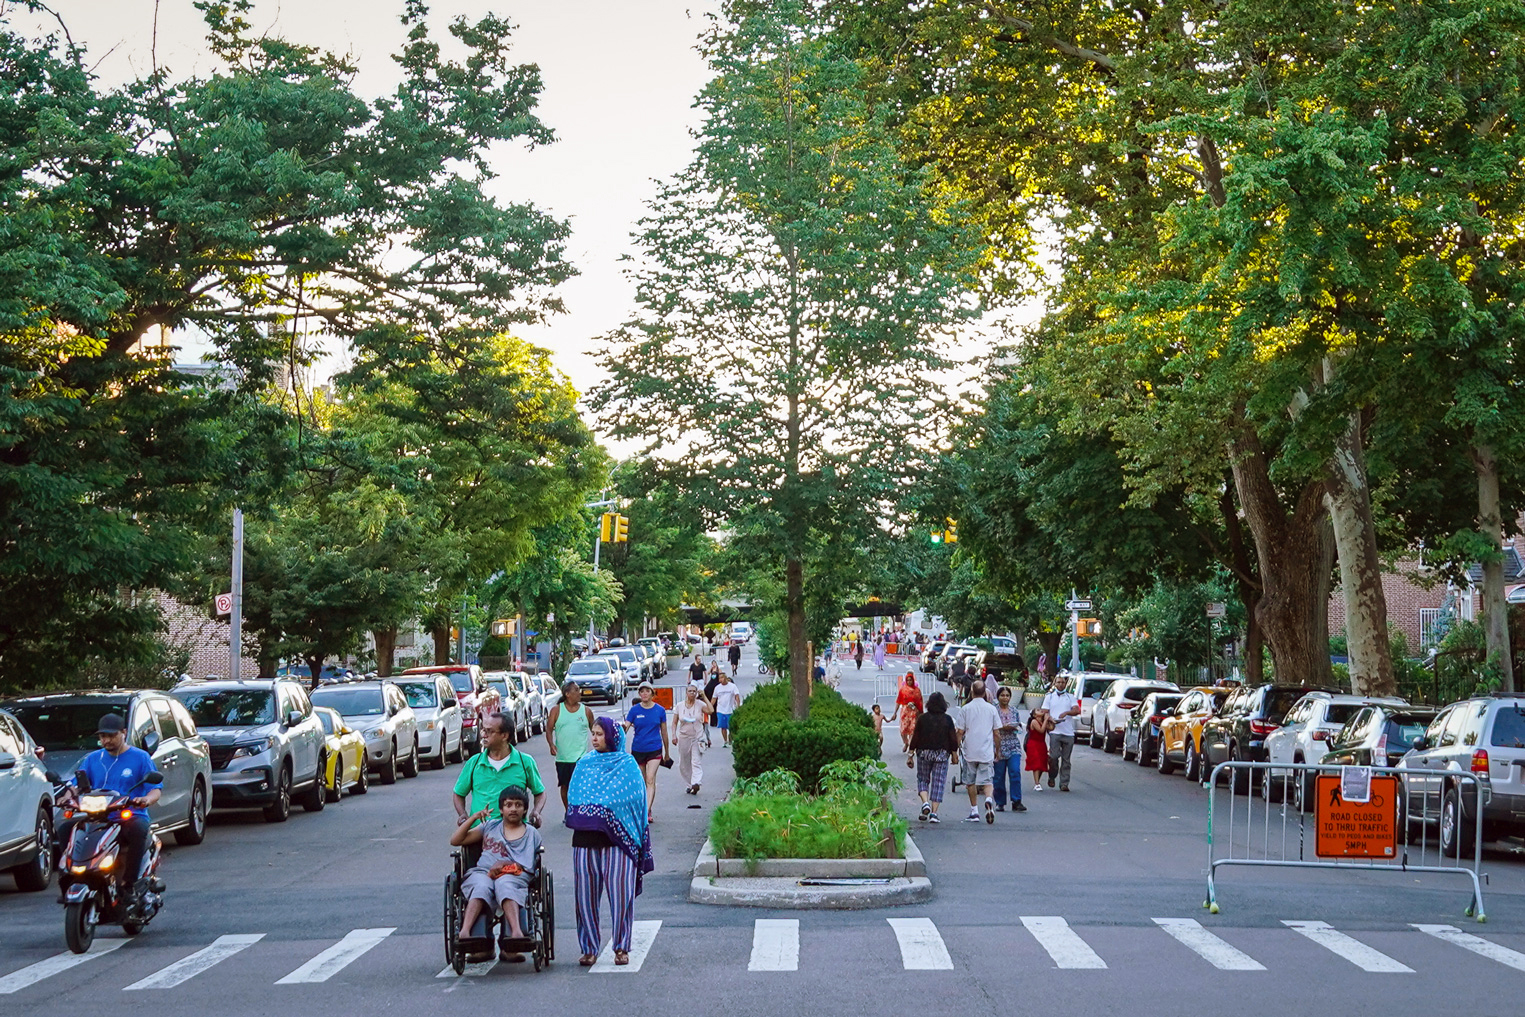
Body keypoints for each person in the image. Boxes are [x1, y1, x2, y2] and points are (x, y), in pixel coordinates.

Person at [566, 717, 652, 967]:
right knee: (585, 899)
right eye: (592, 733)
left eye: (600, 734)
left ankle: (621, 947)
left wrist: (604, 811)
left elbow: (636, 800)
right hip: (584, 841)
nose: (594, 738)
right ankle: (589, 948)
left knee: (621, 897)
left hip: (618, 842)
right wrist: (600, 809)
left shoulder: (627, 765)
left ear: (613, 737)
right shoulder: (584, 764)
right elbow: (575, 797)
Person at [60, 713, 160, 904]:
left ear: (124, 733)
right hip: (98, 816)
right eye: (102, 736)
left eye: (111, 735)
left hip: (128, 815)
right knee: (66, 828)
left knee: (139, 829)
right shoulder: (92, 759)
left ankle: (130, 883)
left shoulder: (140, 757)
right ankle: (73, 876)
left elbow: (155, 789)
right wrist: (67, 796)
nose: (106, 740)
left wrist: (145, 800)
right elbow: (76, 784)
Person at [451, 785, 542, 959]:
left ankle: (515, 932)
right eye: (508, 805)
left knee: (504, 883)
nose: (513, 809)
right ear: (501, 809)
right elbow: (456, 840)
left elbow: (528, 865)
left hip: (514, 875)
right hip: (484, 872)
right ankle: (465, 931)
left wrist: (505, 866)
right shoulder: (490, 827)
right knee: (481, 885)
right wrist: (474, 818)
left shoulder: (531, 833)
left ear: (524, 810)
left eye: (518, 805)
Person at [454, 712, 547, 825]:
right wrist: (463, 815)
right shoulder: (474, 762)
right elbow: (459, 794)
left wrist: (536, 812)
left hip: (514, 833)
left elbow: (540, 793)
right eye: (483, 730)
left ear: (504, 735)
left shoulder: (524, 762)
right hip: (479, 832)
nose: (484, 734)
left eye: (489, 731)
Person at [909, 692, 960, 823]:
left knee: (922, 779)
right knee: (939, 782)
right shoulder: (947, 719)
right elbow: (953, 738)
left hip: (924, 753)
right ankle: (934, 813)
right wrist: (954, 754)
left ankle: (925, 802)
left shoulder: (922, 718)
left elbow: (916, 737)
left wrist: (910, 754)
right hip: (941, 754)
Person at [545, 680, 596, 808]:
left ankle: (581, 809)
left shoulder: (586, 711)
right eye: (576, 690)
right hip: (563, 757)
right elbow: (549, 729)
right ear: (567, 694)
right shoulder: (556, 710)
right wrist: (551, 745)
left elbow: (595, 730)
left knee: (582, 786)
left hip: (582, 758)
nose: (580, 693)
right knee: (565, 786)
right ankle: (569, 811)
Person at [958, 680, 1002, 823]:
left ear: (971, 691)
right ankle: (988, 799)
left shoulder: (965, 709)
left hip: (970, 751)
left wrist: (957, 746)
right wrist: (997, 750)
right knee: (988, 780)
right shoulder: (992, 709)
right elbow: (997, 733)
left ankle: (974, 811)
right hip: (986, 750)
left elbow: (959, 731)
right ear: (985, 693)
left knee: (970, 782)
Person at [622, 682, 670, 816]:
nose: (644, 694)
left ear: (652, 694)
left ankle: (646, 811)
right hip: (638, 749)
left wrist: (667, 752)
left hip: (654, 748)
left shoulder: (659, 710)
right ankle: (645, 806)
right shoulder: (635, 710)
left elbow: (664, 732)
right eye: (641, 691)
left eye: (647, 691)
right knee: (642, 781)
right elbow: (625, 727)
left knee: (650, 778)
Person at [1041, 672, 1082, 792]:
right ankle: (1052, 775)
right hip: (1055, 731)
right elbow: (1044, 711)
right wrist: (1050, 719)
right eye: (1058, 682)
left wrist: (1066, 713)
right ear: (1054, 684)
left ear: (1065, 684)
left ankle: (1064, 783)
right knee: (1053, 757)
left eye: (1063, 682)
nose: (1060, 684)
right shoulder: (1050, 696)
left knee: (1066, 760)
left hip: (1068, 732)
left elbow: (1076, 710)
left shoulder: (1070, 697)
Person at [671, 685, 711, 795]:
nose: (692, 693)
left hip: (698, 737)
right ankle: (689, 784)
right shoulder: (679, 706)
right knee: (684, 764)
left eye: (694, 691)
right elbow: (674, 723)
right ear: (686, 693)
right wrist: (674, 736)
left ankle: (696, 783)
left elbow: (711, 710)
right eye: (690, 691)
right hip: (684, 738)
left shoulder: (700, 704)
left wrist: (704, 696)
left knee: (696, 761)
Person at [993, 687, 1027, 813]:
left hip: (1013, 745)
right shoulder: (994, 711)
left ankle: (1016, 801)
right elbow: (991, 728)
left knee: (1015, 772)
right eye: (1002, 695)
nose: (1005, 698)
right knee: (999, 776)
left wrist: (1013, 727)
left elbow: (1019, 727)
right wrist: (1002, 728)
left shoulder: (1014, 711)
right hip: (998, 746)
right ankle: (1000, 802)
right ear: (998, 697)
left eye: (1007, 695)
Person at [888, 672, 924, 753]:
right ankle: (906, 743)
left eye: (910, 680)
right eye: (907, 680)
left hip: (914, 712)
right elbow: (898, 701)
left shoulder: (917, 690)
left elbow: (920, 702)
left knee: (912, 730)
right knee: (903, 730)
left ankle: (911, 747)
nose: (909, 682)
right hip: (905, 712)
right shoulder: (903, 690)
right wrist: (895, 713)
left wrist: (921, 713)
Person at [711, 672, 743, 746]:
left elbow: (737, 696)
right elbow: (714, 699)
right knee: (723, 727)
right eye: (719, 678)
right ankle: (725, 741)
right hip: (720, 710)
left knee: (730, 726)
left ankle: (730, 739)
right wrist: (709, 707)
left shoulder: (732, 686)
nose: (720, 679)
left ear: (725, 678)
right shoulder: (717, 688)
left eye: (722, 678)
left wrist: (738, 706)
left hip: (730, 710)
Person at [1025, 708, 1053, 791]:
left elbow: (1051, 728)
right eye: (1038, 710)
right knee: (1036, 762)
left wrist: (1050, 720)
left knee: (1042, 762)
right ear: (1034, 715)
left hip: (1041, 743)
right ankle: (1037, 783)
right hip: (1033, 744)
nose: (1041, 710)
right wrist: (1045, 721)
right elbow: (1041, 730)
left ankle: (1037, 781)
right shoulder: (1034, 721)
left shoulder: (1043, 721)